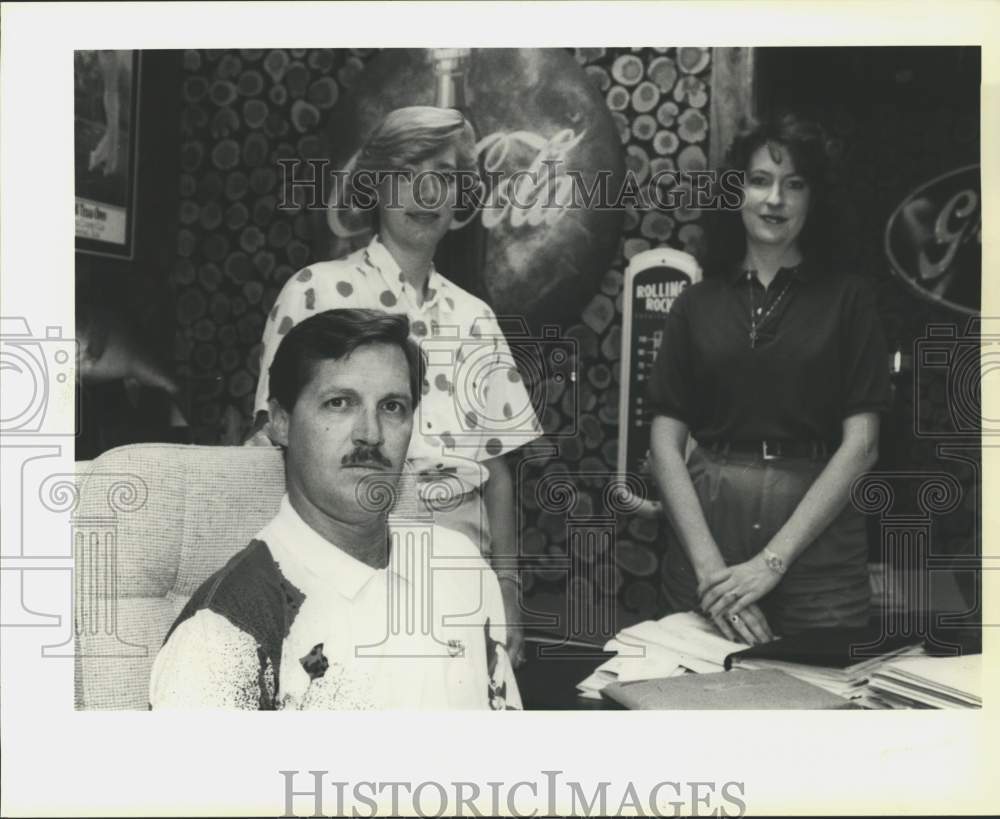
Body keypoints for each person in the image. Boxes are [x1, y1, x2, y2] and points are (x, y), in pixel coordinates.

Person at [250, 106, 541, 666]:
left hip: (461, 559)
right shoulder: (314, 291)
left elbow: (498, 472)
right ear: (376, 183)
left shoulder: (476, 316)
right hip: (346, 545)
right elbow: (268, 443)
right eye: (409, 172)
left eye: (446, 177)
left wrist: (507, 592)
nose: (427, 192)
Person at [150, 309, 521, 710]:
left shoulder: (459, 565)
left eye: (392, 407)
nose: (371, 434)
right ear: (279, 421)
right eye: (339, 403)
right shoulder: (224, 633)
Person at [647, 112, 890, 645]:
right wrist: (712, 571)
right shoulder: (696, 303)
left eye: (794, 184)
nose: (774, 199)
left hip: (818, 554)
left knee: (821, 704)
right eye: (760, 181)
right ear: (737, 192)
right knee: (693, 701)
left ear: (813, 199)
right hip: (705, 546)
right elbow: (664, 446)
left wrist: (771, 562)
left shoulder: (850, 300)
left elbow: (863, 446)